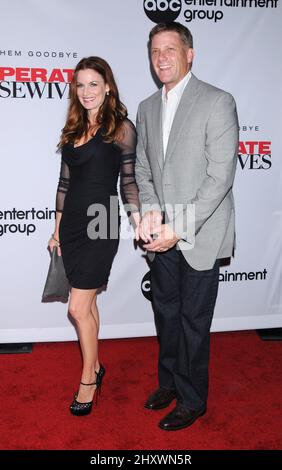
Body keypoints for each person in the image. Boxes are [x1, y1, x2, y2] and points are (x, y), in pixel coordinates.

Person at [135, 22, 239, 431]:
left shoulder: (217, 101)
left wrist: (175, 228)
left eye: (171, 49)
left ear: (189, 53)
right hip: (161, 234)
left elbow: (220, 179)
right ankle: (170, 383)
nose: (162, 57)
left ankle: (193, 400)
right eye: (156, 50)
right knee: (166, 314)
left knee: (194, 321)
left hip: (199, 232)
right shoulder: (146, 107)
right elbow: (143, 169)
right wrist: (150, 212)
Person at [48, 56, 140, 416]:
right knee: (88, 304)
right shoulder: (72, 130)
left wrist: (139, 219)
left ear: (108, 87)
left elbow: (129, 181)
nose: (86, 92)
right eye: (80, 85)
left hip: (102, 222)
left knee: (77, 308)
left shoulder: (121, 128)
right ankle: (98, 364)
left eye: (93, 84)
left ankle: (89, 378)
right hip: (71, 224)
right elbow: (63, 184)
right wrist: (56, 230)